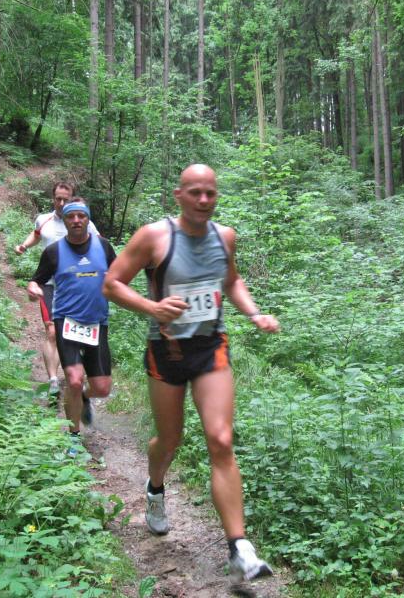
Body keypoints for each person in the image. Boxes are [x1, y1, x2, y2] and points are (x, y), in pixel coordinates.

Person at [103, 164, 280, 581]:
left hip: (210, 347)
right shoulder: (154, 237)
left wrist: (254, 313)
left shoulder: (225, 236)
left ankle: (240, 548)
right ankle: (155, 487)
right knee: (170, 440)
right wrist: (152, 307)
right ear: (178, 195)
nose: (203, 200)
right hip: (166, 351)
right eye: (195, 192)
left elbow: (231, 281)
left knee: (221, 440)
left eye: (210, 193)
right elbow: (112, 284)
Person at [27, 199, 115, 457]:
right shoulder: (54, 251)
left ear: (88, 219)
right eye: (71, 217)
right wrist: (32, 288)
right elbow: (37, 280)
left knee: (102, 388)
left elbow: (120, 274)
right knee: (74, 380)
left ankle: (85, 398)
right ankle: (74, 436)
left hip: (97, 322)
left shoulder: (104, 247)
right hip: (66, 321)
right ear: (64, 221)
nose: (76, 220)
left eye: (81, 216)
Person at [14, 182, 99, 401]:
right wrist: (24, 246)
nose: (61, 203)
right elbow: (37, 235)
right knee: (51, 331)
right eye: (58, 198)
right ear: (53, 198)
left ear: (72, 199)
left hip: (77, 284)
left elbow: (99, 245)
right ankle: (53, 380)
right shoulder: (44, 219)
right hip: (49, 283)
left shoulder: (83, 221)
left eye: (65, 199)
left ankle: (77, 373)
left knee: (76, 329)